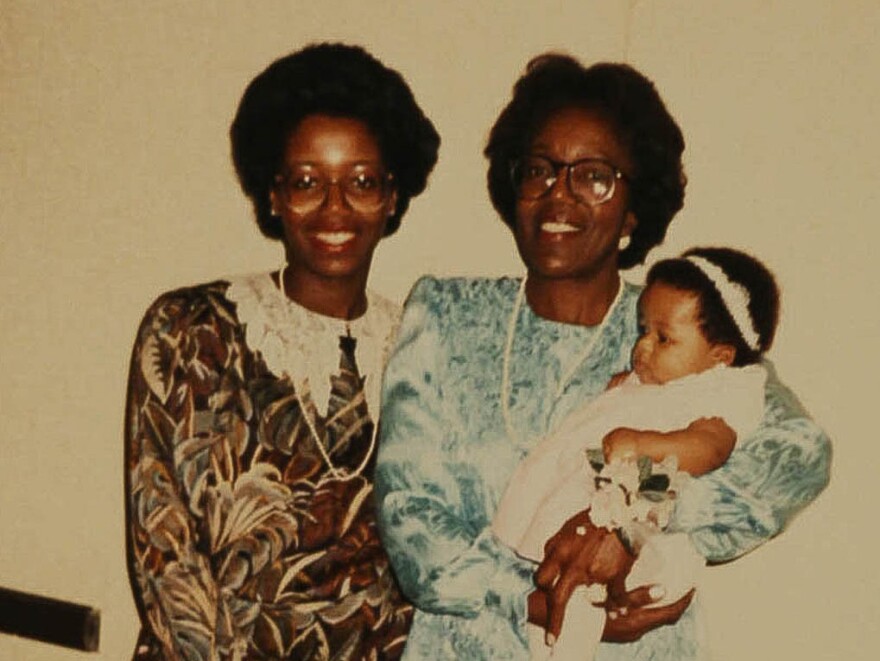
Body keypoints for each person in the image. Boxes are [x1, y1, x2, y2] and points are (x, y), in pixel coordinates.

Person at [375, 54, 830, 660]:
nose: (559, 195)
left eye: (594, 176)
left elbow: (797, 456)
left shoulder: (681, 330)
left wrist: (630, 520)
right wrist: (546, 599)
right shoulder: (444, 315)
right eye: (539, 169)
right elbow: (411, 526)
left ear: (635, 208)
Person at [124, 43, 439, 660]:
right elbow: (165, 558)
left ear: (394, 197)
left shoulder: (419, 347)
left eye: (362, 181)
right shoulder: (189, 330)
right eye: (306, 182)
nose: (335, 207)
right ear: (272, 196)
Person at [493, 247, 780, 660]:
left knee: (572, 611)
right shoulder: (656, 382)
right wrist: (621, 396)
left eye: (663, 338)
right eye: (643, 330)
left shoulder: (719, 391)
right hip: (589, 508)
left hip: (644, 542)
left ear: (721, 357)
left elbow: (710, 448)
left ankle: (574, 635)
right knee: (550, 611)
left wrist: (646, 442)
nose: (642, 347)